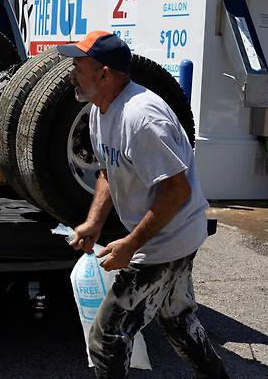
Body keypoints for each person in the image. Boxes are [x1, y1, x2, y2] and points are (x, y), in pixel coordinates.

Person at [61, 31, 229, 379]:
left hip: (168, 240)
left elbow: (176, 190)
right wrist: (94, 221)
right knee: (177, 321)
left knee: (107, 338)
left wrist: (131, 245)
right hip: (166, 235)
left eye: (78, 67)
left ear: (104, 74)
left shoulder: (142, 119)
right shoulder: (100, 111)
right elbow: (109, 171)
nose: (71, 74)